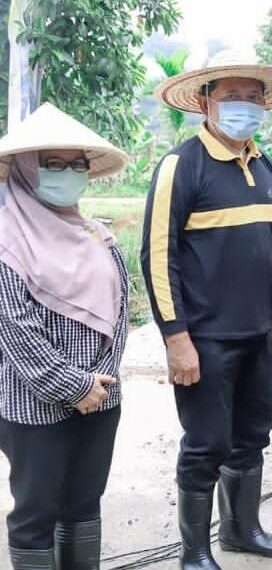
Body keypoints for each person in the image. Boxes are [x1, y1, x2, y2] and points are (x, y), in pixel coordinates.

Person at [142, 50, 272, 570]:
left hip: (258, 335)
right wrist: (176, 339)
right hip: (204, 340)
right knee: (206, 444)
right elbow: (156, 255)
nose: (244, 107)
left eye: (253, 98)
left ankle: (242, 531)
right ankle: (194, 552)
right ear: (204, 102)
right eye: (232, 96)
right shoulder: (181, 166)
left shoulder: (264, 167)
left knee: (253, 436)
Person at [0, 103, 130, 570]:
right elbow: (16, 331)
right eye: (54, 164)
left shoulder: (98, 235)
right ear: (26, 170)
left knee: (83, 503)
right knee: (36, 512)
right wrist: (74, 387)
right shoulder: (6, 242)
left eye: (77, 164)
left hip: (102, 396)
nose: (69, 173)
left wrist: (100, 381)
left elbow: (120, 315)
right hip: (32, 404)